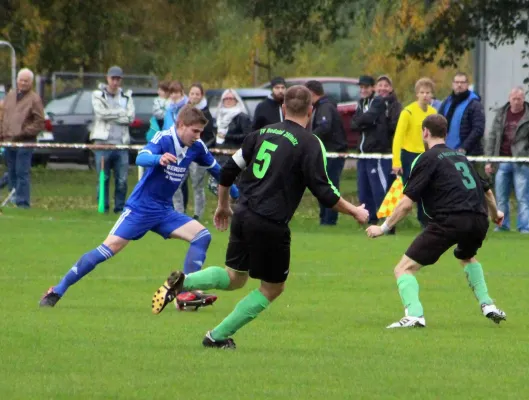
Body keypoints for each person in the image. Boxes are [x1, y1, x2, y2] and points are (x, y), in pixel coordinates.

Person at [151, 86, 369, 349]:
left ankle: (185, 281)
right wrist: (355, 210)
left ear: (284, 108)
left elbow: (228, 170)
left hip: (242, 213)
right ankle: (216, 336)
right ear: (311, 111)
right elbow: (323, 190)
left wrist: (223, 205)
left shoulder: (261, 133)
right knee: (272, 288)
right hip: (270, 223)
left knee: (234, 277)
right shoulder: (311, 143)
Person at [40, 106, 239, 310]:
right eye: (195, 131)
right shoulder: (164, 139)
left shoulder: (197, 147)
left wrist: (238, 196)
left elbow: (218, 172)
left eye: (201, 132)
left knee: (202, 236)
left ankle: (184, 293)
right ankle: (57, 290)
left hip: (164, 210)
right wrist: (158, 159)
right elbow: (141, 157)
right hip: (140, 209)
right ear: (180, 125)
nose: (198, 137)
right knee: (107, 249)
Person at [366, 114, 506, 328]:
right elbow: (486, 190)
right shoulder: (460, 157)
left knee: (403, 269)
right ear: (446, 133)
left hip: (450, 219)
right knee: (467, 256)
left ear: (425, 132)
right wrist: (496, 214)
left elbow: (406, 204)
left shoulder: (427, 158)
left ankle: (414, 315)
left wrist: (383, 227)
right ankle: (487, 304)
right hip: (478, 219)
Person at [484, 87, 529, 233]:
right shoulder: (501, 114)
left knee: (523, 197)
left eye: (519, 98)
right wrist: (489, 160)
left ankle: (524, 227)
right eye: (514, 98)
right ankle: (502, 225)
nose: (516, 101)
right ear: (509, 99)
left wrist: (528, 157)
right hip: (502, 160)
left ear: (524, 99)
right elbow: (492, 138)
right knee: (501, 197)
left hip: (521, 161)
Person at [392, 77, 437, 227]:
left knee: (427, 189)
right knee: (408, 191)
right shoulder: (408, 112)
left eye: (428, 92)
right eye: (422, 92)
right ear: (417, 94)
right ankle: (391, 223)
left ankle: (425, 221)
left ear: (432, 95)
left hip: (426, 155)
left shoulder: (433, 112)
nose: (425, 95)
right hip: (409, 156)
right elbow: (398, 137)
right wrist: (396, 162)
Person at [90, 66, 135, 213]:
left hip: (121, 144)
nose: (115, 82)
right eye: (112, 78)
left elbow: (130, 117)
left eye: (118, 79)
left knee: (122, 180)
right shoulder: (98, 95)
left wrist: (114, 115)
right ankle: (103, 208)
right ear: (107, 78)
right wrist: (119, 114)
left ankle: (119, 209)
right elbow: (100, 114)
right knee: (103, 178)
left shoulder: (127, 96)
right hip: (102, 143)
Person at [305, 80, 348, 226]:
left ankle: (329, 219)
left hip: (333, 153)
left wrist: (309, 139)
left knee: (330, 186)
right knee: (324, 184)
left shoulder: (325, 107)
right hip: (327, 152)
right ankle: (325, 217)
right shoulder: (321, 106)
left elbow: (324, 127)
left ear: (312, 93)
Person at [0, 68, 45, 208]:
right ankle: (12, 198)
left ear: (31, 83)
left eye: (26, 80)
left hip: (25, 142)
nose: (23, 83)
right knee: (12, 171)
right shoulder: (10, 95)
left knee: (22, 172)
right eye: (21, 80)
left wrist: (24, 132)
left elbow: (39, 122)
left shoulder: (34, 99)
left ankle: (23, 202)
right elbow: (4, 116)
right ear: (17, 81)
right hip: (8, 141)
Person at [351, 75, 391, 226]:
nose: (363, 90)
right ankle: (370, 219)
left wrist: (363, 121)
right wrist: (363, 122)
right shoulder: (360, 103)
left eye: (366, 87)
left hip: (375, 152)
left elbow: (369, 118)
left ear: (372, 88)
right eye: (361, 87)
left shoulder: (378, 101)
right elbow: (354, 124)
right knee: (363, 189)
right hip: (362, 153)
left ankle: (387, 221)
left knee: (378, 188)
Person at [172, 83, 215, 219]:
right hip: (182, 152)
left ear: (201, 96)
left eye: (197, 94)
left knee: (197, 185)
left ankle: (198, 215)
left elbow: (210, 135)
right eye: (192, 93)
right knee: (176, 182)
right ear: (188, 95)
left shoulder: (207, 113)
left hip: (198, 154)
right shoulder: (183, 111)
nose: (194, 96)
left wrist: (200, 149)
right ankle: (178, 212)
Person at [439, 72, 485, 156]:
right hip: (446, 151)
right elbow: (438, 124)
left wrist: (464, 148)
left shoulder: (474, 104)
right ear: (453, 84)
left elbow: (478, 129)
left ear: (467, 84)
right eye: (456, 82)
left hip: (468, 153)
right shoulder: (446, 103)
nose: (459, 85)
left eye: (462, 82)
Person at [215, 89, 252, 156]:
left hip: (236, 154)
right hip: (220, 153)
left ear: (236, 101)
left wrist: (227, 136)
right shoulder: (219, 116)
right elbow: (216, 135)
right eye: (226, 98)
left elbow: (248, 136)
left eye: (231, 98)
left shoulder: (242, 117)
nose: (228, 100)